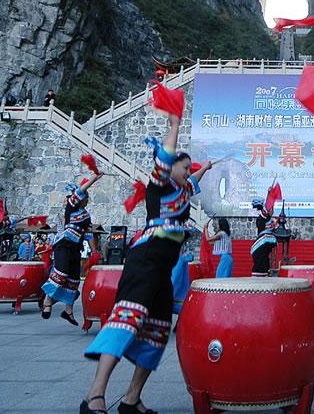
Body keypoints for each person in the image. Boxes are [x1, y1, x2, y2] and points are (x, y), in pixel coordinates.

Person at [81, 111, 212, 414]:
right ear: (170, 168)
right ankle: (95, 395)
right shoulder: (159, 185)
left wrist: (204, 168)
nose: (189, 171)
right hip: (145, 262)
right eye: (185, 166)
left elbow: (193, 181)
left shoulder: (182, 193)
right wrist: (175, 125)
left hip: (162, 269)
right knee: (126, 320)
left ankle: (131, 399)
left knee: (157, 332)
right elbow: (165, 158)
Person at [41, 169, 104, 325]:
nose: (86, 199)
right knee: (61, 273)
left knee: (74, 280)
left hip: (76, 248)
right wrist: (94, 179)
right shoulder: (71, 208)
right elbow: (79, 191)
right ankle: (47, 300)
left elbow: (88, 234)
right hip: (64, 244)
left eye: (87, 198)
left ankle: (68, 311)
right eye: (84, 197)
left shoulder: (86, 215)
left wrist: (94, 251)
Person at [250, 198, 277, 277]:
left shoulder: (268, 219)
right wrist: (270, 196)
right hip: (262, 244)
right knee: (261, 264)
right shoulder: (262, 218)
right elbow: (266, 208)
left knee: (264, 262)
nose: (272, 210)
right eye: (271, 209)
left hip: (265, 245)